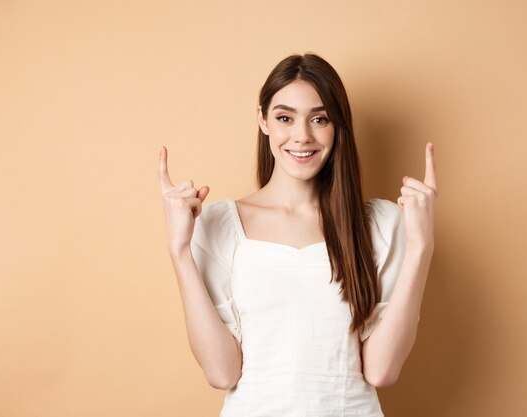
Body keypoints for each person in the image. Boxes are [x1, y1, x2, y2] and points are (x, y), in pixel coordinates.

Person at [158, 52, 438, 416]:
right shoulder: (219, 225)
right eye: (285, 118)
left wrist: (421, 247)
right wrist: (179, 249)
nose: (301, 136)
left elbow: (382, 370)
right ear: (263, 121)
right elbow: (221, 372)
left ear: (338, 126)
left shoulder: (380, 225)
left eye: (319, 119)